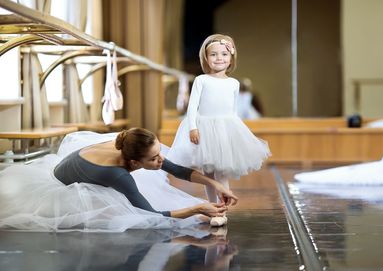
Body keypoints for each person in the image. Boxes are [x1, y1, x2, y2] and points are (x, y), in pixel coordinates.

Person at [0, 128, 238, 232]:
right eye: (154, 158)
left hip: (76, 166)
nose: (161, 160)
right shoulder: (117, 175)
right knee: (132, 215)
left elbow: (176, 169)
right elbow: (152, 215)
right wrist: (198, 208)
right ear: (134, 163)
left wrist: (213, 183)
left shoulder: (130, 143)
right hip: (62, 186)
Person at [167, 34, 271, 226]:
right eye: (213, 54)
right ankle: (212, 208)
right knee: (208, 175)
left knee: (221, 172)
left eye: (224, 54)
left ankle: (222, 211)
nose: (219, 58)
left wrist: (236, 132)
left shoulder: (233, 84)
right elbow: (192, 108)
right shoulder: (201, 80)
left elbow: (233, 111)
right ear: (206, 58)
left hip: (225, 129)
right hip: (204, 127)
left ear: (231, 57)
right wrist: (193, 127)